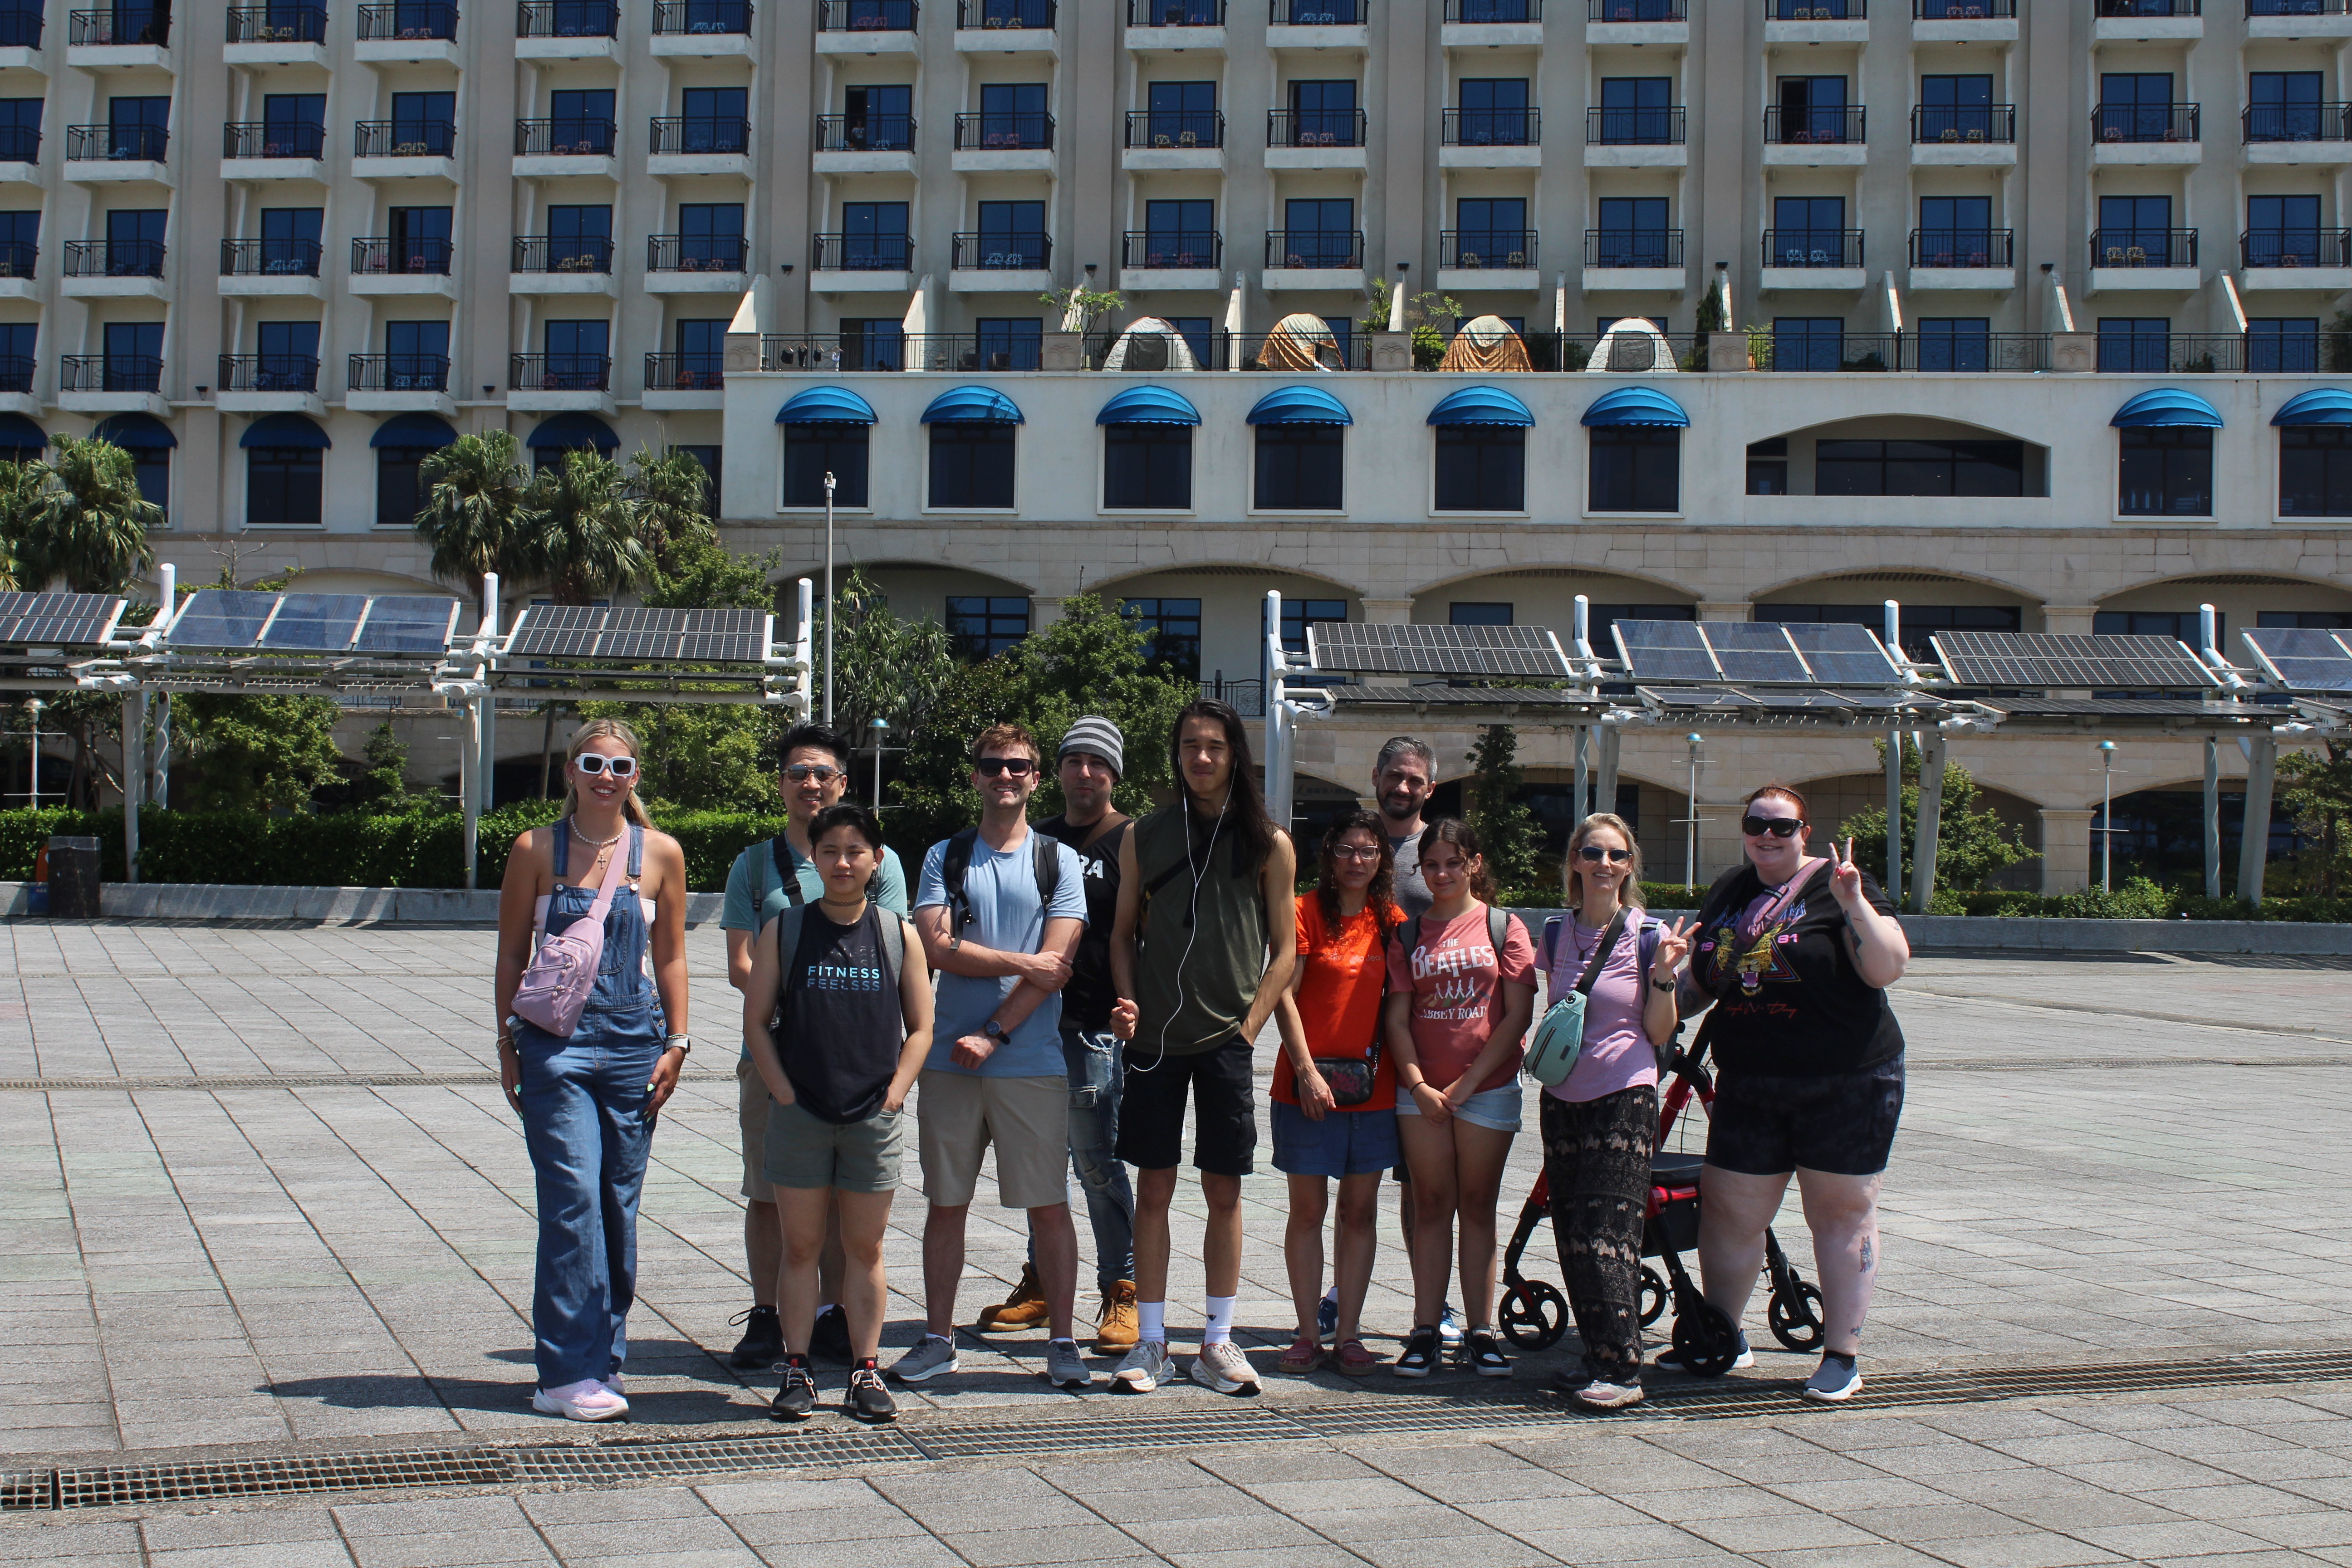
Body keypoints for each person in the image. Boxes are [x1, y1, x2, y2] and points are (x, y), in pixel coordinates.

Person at [1673, 784, 1909, 1405]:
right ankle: (1725, 1337)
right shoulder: (1732, 889)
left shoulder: (1838, 881)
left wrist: (1855, 903)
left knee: (1839, 1213)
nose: (1769, 836)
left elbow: (1888, 966)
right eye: (1758, 824)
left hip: (1846, 1077)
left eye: (1784, 827)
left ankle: (1841, 1356)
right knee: (1729, 1210)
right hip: (1750, 1077)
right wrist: (1643, 1006)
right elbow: (1703, 982)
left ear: (1806, 830)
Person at [495, 720, 692, 1422]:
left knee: (617, 1204)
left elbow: (669, 958)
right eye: (593, 763)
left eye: (621, 766)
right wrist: (507, 1044)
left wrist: (678, 1041)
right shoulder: (534, 849)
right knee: (572, 1197)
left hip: (636, 1042)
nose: (606, 776)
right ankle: (563, 1373)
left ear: (636, 776)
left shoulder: (661, 853)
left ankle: (603, 1360)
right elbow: (512, 954)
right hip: (557, 1045)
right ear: (571, 773)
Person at [1107, 698, 1298, 1396]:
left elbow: (1287, 952)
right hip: (1156, 1040)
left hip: (1225, 1040)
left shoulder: (1269, 842)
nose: (1202, 758)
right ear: (1176, 753)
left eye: (1215, 747)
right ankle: (1151, 1342)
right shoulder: (1143, 835)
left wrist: (1249, 1028)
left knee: (1225, 1189)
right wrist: (1127, 1000)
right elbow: (1123, 933)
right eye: (1190, 745)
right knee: (1152, 1187)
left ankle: (1217, 1340)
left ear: (1235, 755)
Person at [894, 723, 1092, 1392]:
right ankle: (937, 1338)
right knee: (945, 1203)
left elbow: (1059, 965)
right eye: (992, 766)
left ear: (1037, 778)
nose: (1004, 776)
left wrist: (996, 1033)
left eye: (1018, 766)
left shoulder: (1058, 862)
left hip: (1029, 1062)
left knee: (1049, 1206)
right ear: (974, 776)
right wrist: (1021, 960)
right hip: (950, 1062)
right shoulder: (944, 857)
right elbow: (938, 949)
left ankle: (1063, 1342)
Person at [719, 726, 911, 1371]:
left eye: (822, 773)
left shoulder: (875, 859)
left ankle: (833, 1314)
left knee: (845, 1202)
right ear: (781, 783)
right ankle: (768, 1314)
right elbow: (742, 961)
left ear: (843, 783)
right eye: (797, 772)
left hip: (857, 1062)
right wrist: (791, 996)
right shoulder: (754, 862)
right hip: (778, 1058)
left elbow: (887, 953)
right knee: (770, 1191)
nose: (810, 784)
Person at [742, 804, 933, 1424]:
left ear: (878, 860)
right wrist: (784, 1092)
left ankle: (865, 1370)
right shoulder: (787, 929)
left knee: (864, 1248)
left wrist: (897, 1092)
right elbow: (757, 1020)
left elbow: (923, 1027)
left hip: (870, 1116)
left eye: (856, 851)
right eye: (830, 851)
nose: (843, 862)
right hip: (801, 1113)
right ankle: (796, 1369)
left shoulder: (896, 933)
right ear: (815, 859)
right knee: (800, 1247)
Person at [977, 717, 1142, 1352]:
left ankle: (1121, 1290)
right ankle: (1043, 1282)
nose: (1085, 773)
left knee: (1098, 1166)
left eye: (1098, 763)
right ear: (1058, 772)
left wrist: (1134, 1005)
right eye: (1075, 760)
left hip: (1094, 1029)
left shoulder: (1132, 841)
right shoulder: (1037, 840)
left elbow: (1140, 937)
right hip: (1031, 1025)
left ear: (1114, 773)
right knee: (1041, 1169)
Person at [1538, 813, 1691, 1411]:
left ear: (1630, 866)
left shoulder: (1646, 933)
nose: (1605, 864)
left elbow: (1658, 1031)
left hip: (1624, 1098)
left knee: (1610, 1235)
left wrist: (1663, 978)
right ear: (1575, 861)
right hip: (1563, 1098)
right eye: (1593, 853)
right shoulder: (1555, 934)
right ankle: (1597, 1356)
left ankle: (1625, 1370)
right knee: (1572, 1234)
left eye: (1617, 855)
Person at [1382, 818, 1535, 1380]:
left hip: (1487, 1091)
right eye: (1431, 865)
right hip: (1419, 1095)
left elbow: (1518, 1014)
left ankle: (1480, 1332)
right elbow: (1397, 1018)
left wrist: (1464, 1086)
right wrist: (1420, 1084)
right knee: (1430, 1207)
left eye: (1453, 862)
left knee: (1477, 1207)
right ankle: (1425, 1329)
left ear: (1473, 863)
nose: (1442, 873)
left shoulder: (1504, 926)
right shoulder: (1407, 934)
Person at [1271, 811, 1401, 1377]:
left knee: (1359, 1211)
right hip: (1304, 1087)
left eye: (1368, 852)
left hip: (1372, 1090)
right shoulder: (1302, 912)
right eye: (1347, 850)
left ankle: (1348, 1333)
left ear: (1381, 861)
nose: (1357, 861)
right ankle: (1306, 1334)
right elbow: (1284, 994)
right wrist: (1305, 1071)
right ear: (1329, 855)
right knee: (1308, 1210)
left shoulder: (1391, 921)